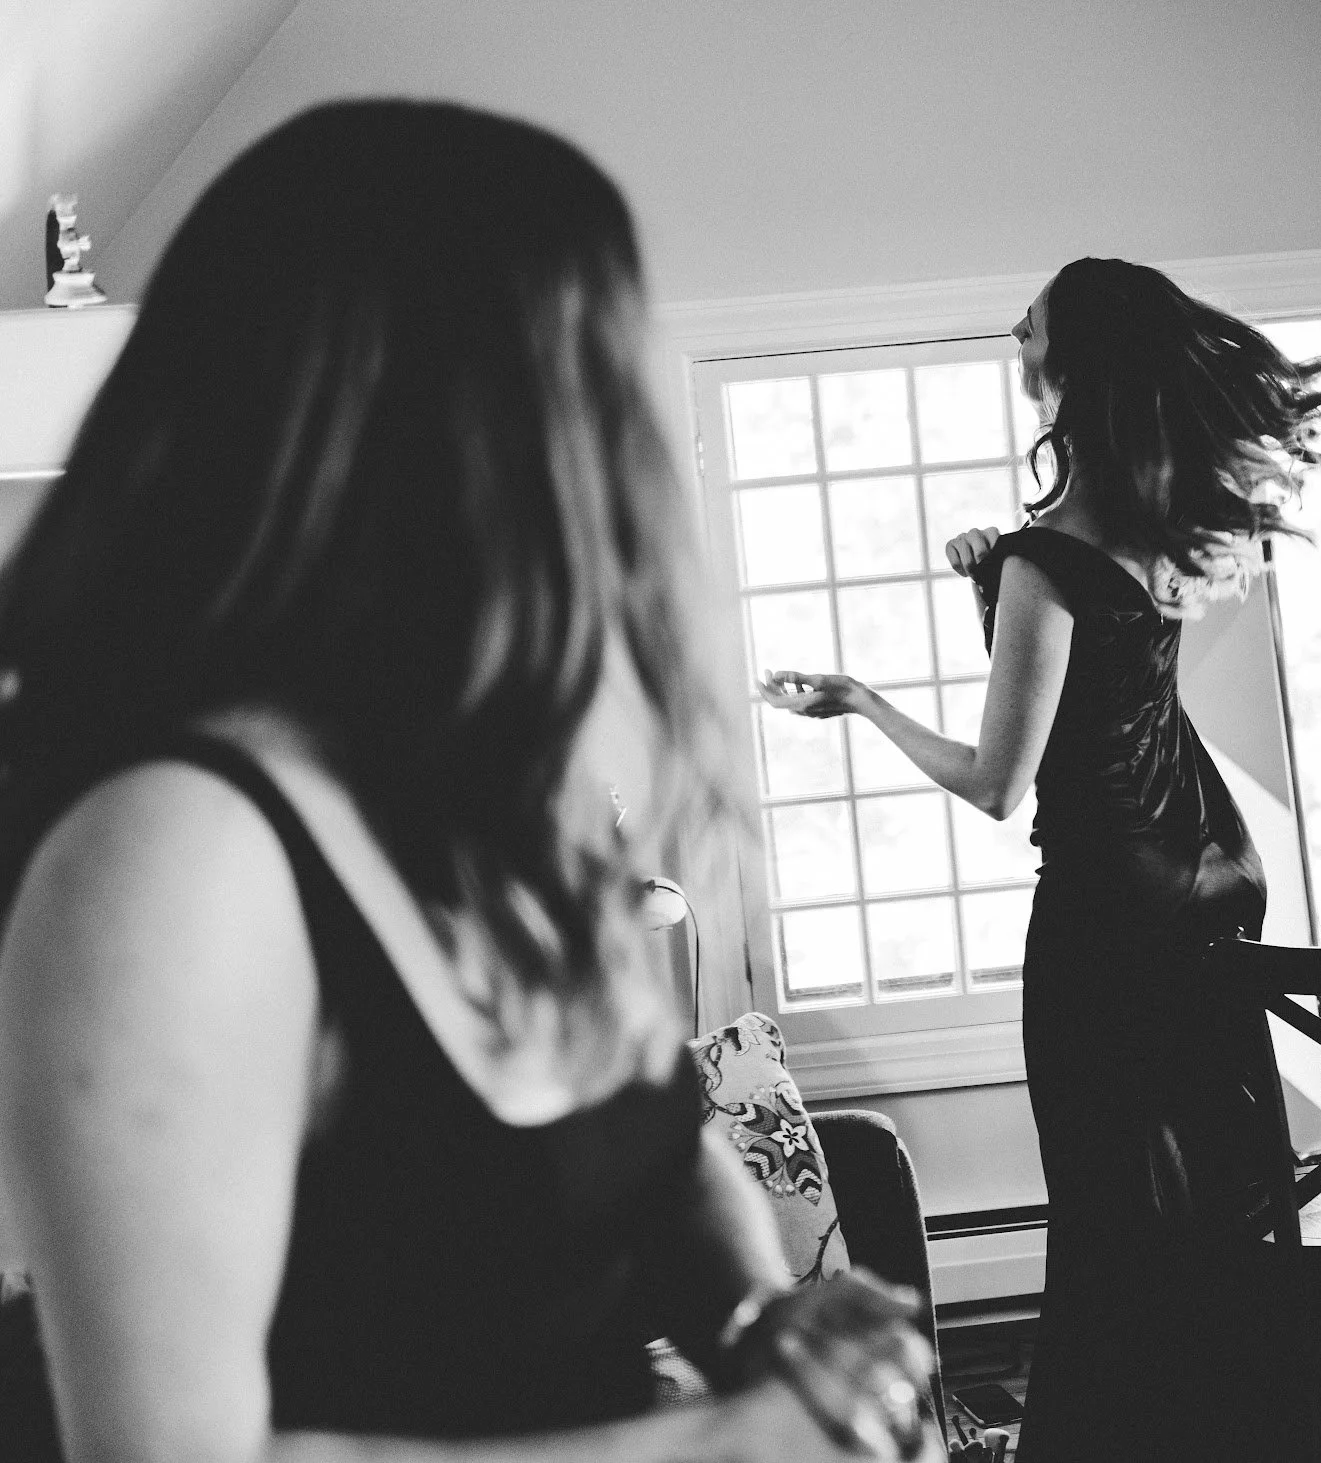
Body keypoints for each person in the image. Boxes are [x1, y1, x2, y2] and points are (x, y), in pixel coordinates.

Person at [0, 101, 935, 1463]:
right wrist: (725, 1446)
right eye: (598, 386)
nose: (626, 467)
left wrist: (758, 1320)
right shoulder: (179, 852)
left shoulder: (499, 790)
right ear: (462, 435)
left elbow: (653, 1151)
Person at [758, 257, 1321, 1462]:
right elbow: (1097, 699)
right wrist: (995, 582)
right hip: (1205, 882)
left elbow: (1003, 781)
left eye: (1028, 326)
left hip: (1106, 919)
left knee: (1109, 1221)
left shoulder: (1046, 555)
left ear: (1074, 363)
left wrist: (865, 700)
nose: (1015, 337)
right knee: (1212, 1200)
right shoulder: (1154, 533)